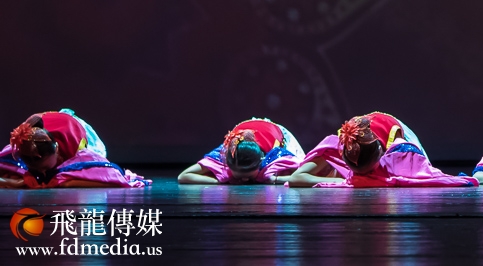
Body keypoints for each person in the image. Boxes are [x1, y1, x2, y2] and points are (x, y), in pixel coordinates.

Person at [287, 112, 477, 188]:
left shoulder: (401, 150)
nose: (363, 177)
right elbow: (296, 178)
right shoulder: (341, 146)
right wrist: (345, 182)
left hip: (396, 136)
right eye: (358, 172)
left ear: (381, 156)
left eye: (369, 171)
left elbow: (424, 178)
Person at [0, 109, 148, 188]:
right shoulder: (25, 145)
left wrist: (63, 182)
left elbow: (116, 179)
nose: (43, 173)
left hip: (77, 132)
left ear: (57, 150)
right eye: (37, 169)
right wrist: (21, 180)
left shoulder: (78, 151)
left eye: (45, 168)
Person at [178, 118, 304, 184]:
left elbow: (304, 175)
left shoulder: (275, 156)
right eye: (238, 176)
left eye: (249, 176)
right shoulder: (223, 157)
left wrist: (275, 179)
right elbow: (183, 176)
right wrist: (217, 181)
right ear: (228, 165)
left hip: (276, 132)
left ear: (260, 163)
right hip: (246, 130)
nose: (244, 181)